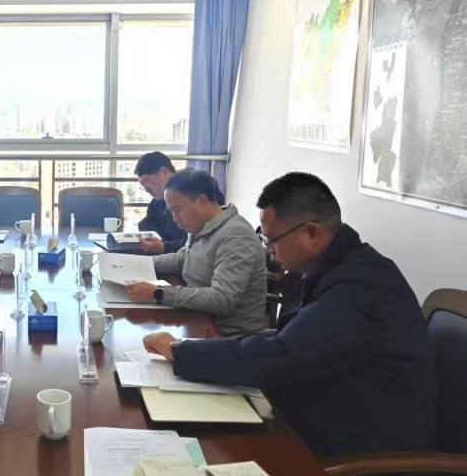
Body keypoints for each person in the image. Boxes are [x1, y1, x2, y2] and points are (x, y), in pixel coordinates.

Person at [143, 172, 436, 457]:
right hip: (321, 409)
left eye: (271, 240)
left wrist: (181, 352)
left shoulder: (362, 285)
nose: (268, 251)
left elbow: (285, 353)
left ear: (311, 234)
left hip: (358, 445)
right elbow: (292, 339)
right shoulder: (331, 268)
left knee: (204, 445)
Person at [126, 169, 267, 336]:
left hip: (227, 336)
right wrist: (137, 264)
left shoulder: (236, 236)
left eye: (177, 210)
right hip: (197, 317)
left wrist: (158, 293)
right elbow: (182, 259)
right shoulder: (203, 225)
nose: (175, 218)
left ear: (202, 200)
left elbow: (222, 298)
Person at [133, 152, 188, 254]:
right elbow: (147, 222)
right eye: (143, 187)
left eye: (148, 185)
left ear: (163, 171)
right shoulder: (158, 200)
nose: (147, 190)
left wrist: (164, 246)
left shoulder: (191, 192)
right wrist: (157, 238)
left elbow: (199, 242)